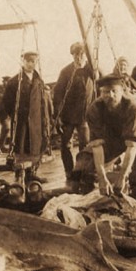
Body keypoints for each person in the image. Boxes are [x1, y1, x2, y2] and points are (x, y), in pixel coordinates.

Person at [84, 74, 136, 206]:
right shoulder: (94, 109)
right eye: (105, 91)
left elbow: (132, 147)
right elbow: (97, 146)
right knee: (86, 167)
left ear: (122, 91)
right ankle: (93, 203)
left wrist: (123, 176)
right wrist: (102, 178)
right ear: (101, 93)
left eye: (114, 91)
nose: (110, 95)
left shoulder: (134, 108)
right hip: (112, 138)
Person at [2, 51, 52, 183]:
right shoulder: (14, 82)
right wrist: (15, 116)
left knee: (35, 148)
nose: (30, 64)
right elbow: (6, 102)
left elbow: (43, 102)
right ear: (23, 62)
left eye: (33, 61)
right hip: (21, 122)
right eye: (28, 61)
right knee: (21, 147)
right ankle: (19, 175)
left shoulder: (38, 81)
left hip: (36, 121)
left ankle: (32, 173)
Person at [53, 42, 95, 180]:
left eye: (82, 54)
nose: (79, 57)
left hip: (85, 116)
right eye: (76, 54)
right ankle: (69, 171)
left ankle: (82, 171)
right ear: (72, 55)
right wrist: (58, 115)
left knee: (85, 145)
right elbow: (58, 93)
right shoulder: (66, 72)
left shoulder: (91, 69)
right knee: (65, 145)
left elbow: (100, 78)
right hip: (68, 115)